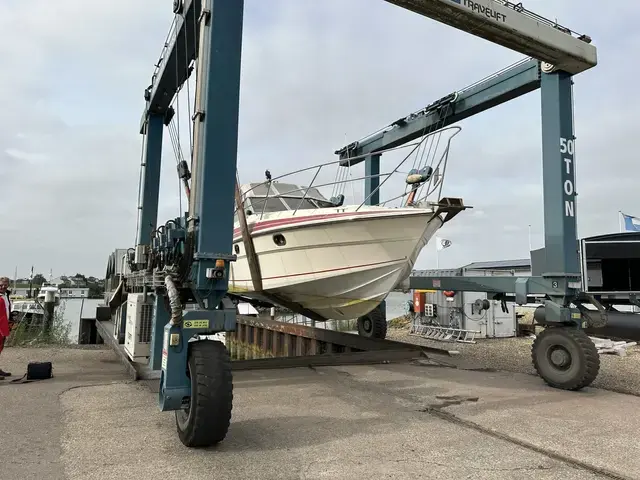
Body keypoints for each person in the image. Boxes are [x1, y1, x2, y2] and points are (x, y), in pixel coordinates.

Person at [0, 276, 12, 378]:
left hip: (5, 324)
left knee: (0, 347)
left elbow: (7, 309)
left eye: (5, 285)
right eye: (1, 285)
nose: (3, 286)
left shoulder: (6, 295)